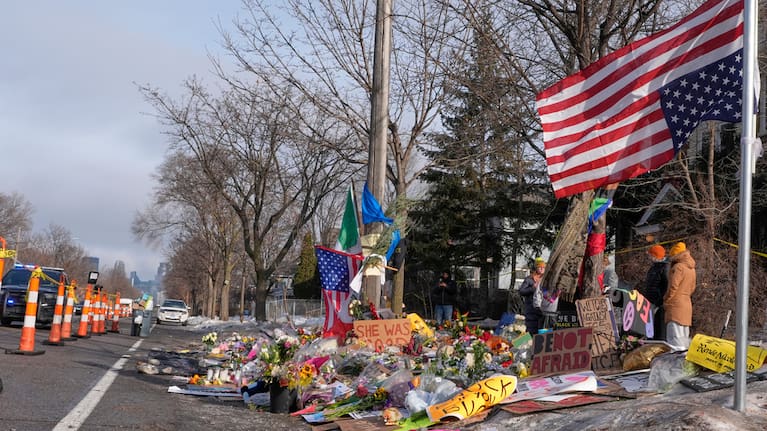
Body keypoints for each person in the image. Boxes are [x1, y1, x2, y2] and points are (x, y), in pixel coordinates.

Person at [664, 242, 696, 350]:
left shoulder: (678, 268)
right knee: (684, 337)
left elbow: (673, 287)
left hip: (675, 305)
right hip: (687, 303)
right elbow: (692, 288)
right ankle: (685, 364)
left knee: (674, 338)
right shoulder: (691, 268)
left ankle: (675, 364)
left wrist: (666, 300)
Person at [643, 244, 669, 340]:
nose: (649, 257)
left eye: (650, 255)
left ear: (655, 256)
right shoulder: (654, 267)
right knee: (651, 328)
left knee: (659, 328)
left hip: (658, 303)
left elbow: (665, 286)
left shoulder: (664, 268)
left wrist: (659, 301)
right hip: (651, 302)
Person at [519, 257, 546, 335]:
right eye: (540, 267)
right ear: (536, 268)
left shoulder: (546, 280)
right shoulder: (529, 279)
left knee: (542, 330)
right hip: (531, 310)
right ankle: (521, 345)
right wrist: (532, 288)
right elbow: (521, 291)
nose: (542, 269)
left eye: (543, 267)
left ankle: (540, 346)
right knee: (530, 330)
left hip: (543, 310)